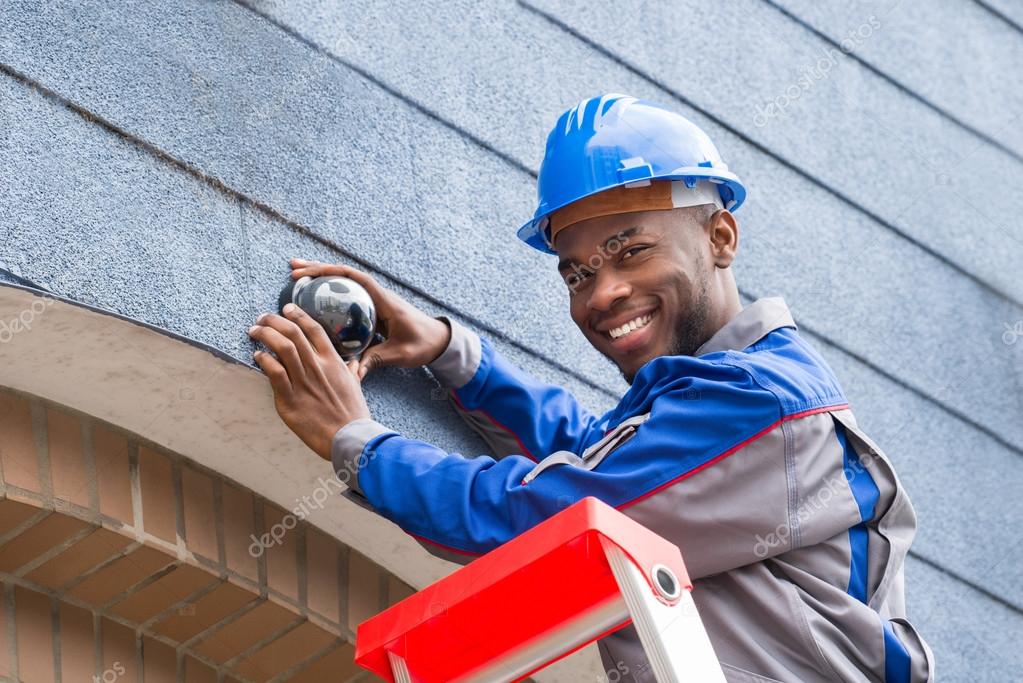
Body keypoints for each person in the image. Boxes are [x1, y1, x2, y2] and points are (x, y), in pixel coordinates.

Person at [248, 94, 933, 682]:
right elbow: (600, 456)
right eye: (576, 275)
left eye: (631, 251)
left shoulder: (761, 401)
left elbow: (551, 517)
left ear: (719, 235)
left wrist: (357, 442)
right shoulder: (718, 401)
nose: (602, 293)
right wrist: (453, 354)